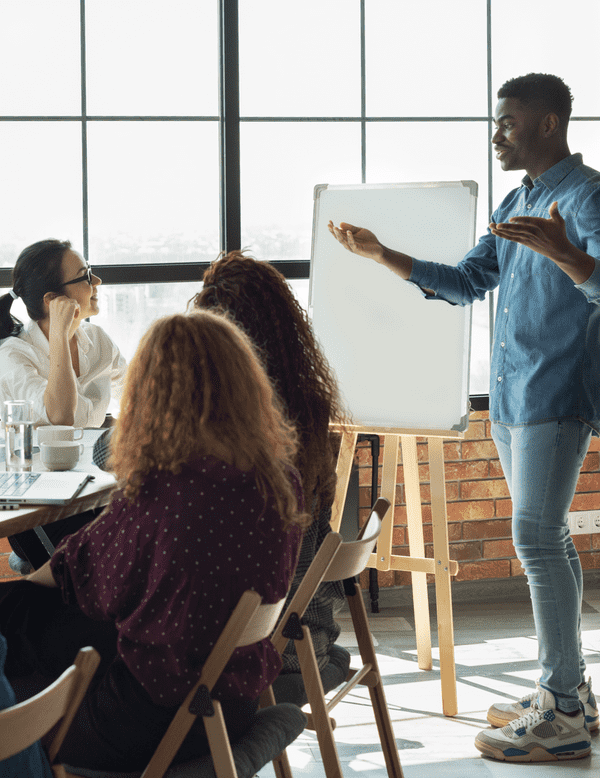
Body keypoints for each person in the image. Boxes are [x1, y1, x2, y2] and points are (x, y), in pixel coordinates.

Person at [330, 73, 599, 762]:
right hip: (510, 400)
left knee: (537, 540)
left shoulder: (586, 196)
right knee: (548, 542)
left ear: (547, 123)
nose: (496, 133)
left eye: (508, 121)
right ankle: (569, 689)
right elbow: (465, 281)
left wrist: (565, 251)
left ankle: (563, 710)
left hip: (556, 393)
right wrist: (379, 254)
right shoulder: (520, 199)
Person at [1, 310, 306, 772]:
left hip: (152, 722)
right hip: (233, 703)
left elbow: (72, 573)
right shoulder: (280, 480)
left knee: (21, 619)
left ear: (151, 395)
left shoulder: (162, 492)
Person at [191, 252, 350, 702]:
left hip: (264, 656)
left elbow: (114, 450)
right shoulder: (309, 407)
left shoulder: (218, 421)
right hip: (310, 636)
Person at [0, 239, 127, 571]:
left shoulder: (97, 341)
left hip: (93, 493)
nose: (97, 283)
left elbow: (136, 393)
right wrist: (59, 336)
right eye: (85, 276)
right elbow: (59, 416)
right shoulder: (14, 355)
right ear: (53, 300)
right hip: (41, 510)